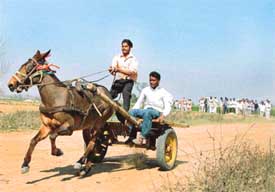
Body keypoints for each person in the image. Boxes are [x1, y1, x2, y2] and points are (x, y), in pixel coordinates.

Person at [126, 71, 173, 144]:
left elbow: (168, 105)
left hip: (156, 112)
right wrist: (133, 111)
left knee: (148, 113)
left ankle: (142, 136)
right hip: (146, 110)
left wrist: (163, 115)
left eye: (153, 80)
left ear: (158, 81)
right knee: (131, 112)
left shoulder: (163, 92)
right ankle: (132, 136)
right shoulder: (145, 90)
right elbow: (139, 102)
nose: (151, 82)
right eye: (150, 80)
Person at [108, 39, 138, 122]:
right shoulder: (116, 57)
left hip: (128, 81)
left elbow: (132, 72)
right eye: (122, 46)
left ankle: (125, 117)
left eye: (126, 46)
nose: (123, 48)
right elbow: (114, 70)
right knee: (109, 96)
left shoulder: (133, 59)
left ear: (130, 47)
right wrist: (112, 70)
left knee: (126, 95)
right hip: (119, 80)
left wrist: (118, 69)